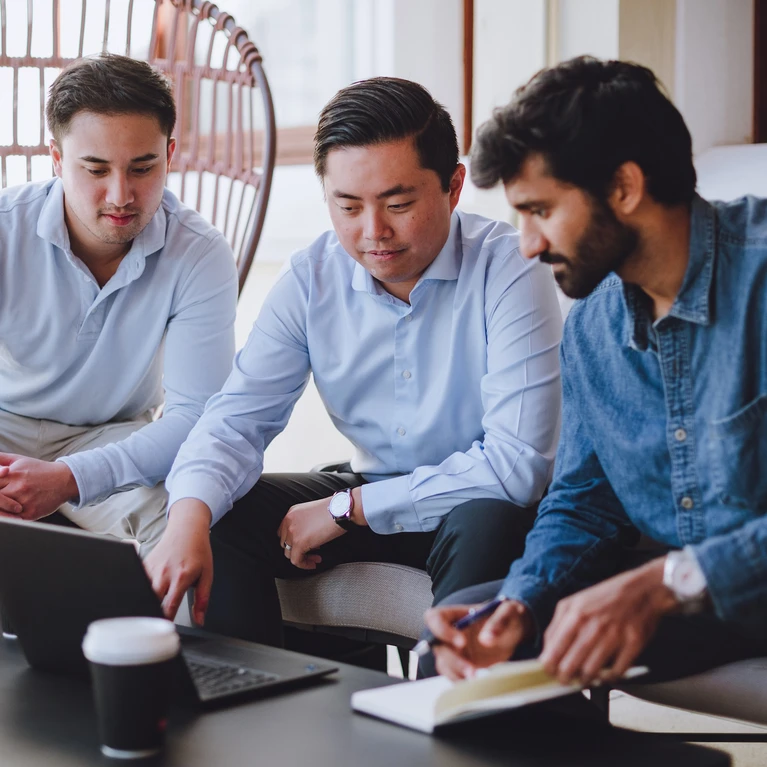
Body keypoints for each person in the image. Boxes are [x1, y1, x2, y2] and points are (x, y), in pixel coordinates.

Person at [145, 77, 563, 643]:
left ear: (454, 187)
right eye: (347, 206)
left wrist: (349, 508)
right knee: (221, 513)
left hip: (480, 507)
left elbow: (514, 468)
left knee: (488, 520)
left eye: (398, 204)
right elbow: (236, 419)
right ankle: (244, 698)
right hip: (367, 487)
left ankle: (453, 711)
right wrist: (188, 515)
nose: (373, 234)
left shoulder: (511, 269)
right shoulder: (311, 279)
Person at [425, 56, 767, 685]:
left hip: (722, 587)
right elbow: (584, 502)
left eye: (541, 211)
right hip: (701, 603)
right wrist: (520, 604)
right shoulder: (592, 326)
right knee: (464, 645)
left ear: (624, 189)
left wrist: (666, 580)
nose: (527, 244)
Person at [0, 54, 238, 557]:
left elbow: (197, 418)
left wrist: (68, 478)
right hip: (5, 424)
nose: (121, 195)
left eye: (143, 167)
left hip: (114, 437)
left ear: (170, 154)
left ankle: (166, 641)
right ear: (58, 159)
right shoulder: (5, 230)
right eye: (95, 169)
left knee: (194, 520)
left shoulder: (200, 254)